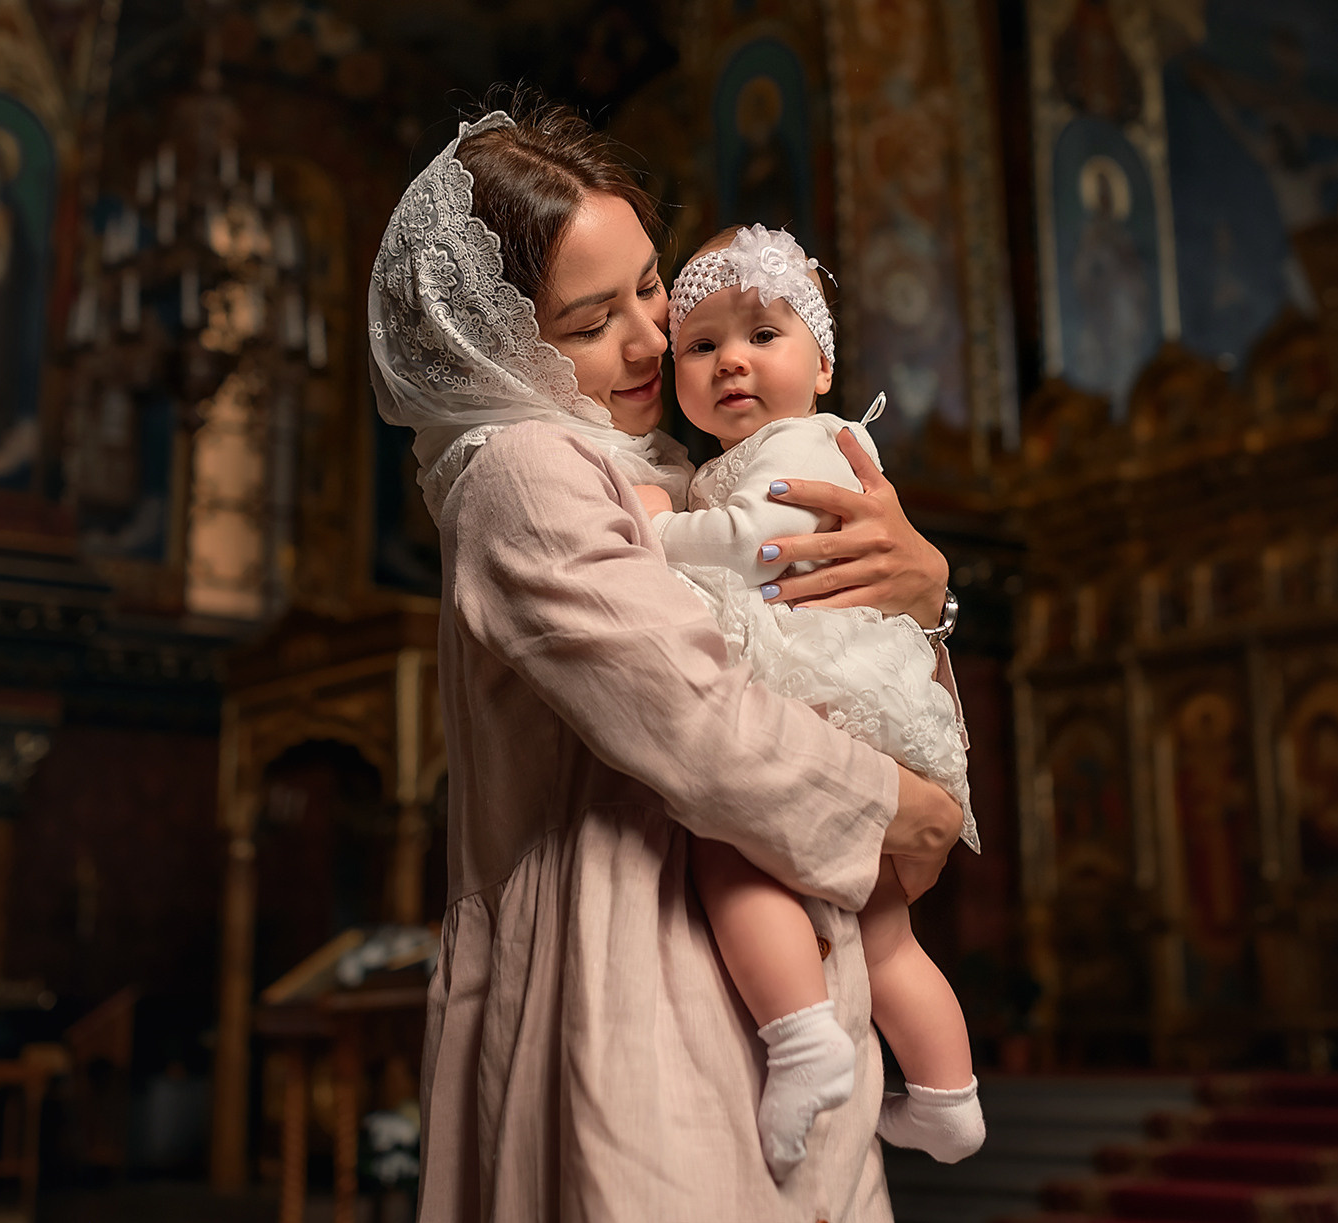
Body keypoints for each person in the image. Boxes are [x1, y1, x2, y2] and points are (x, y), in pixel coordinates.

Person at [368, 99, 963, 1219]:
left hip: (767, 943)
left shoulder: (691, 469)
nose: (651, 337)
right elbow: (697, 716)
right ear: (498, 343)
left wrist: (922, 595)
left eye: (649, 285)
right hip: (626, 960)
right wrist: (900, 805)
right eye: (593, 320)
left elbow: (833, 658)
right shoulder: (524, 473)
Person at [640, 223, 984, 1179]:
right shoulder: (755, 450)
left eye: (762, 334)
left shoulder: (811, 444)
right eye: (701, 346)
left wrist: (662, 533)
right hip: (866, 711)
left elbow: (764, 544)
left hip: (833, 705)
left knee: (730, 852)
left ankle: (801, 1039)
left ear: (823, 362)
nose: (731, 362)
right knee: (884, 932)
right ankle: (950, 1100)